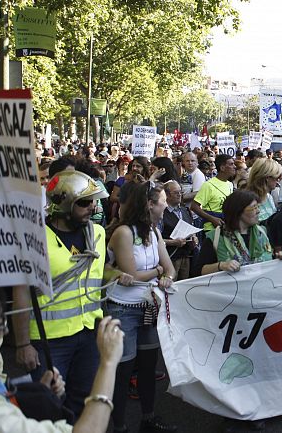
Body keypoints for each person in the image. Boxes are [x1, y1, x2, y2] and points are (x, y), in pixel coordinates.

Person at [11, 171, 111, 419]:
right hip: (49, 340)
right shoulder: (34, 238)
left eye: (95, 201)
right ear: (64, 204)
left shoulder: (98, 234)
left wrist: (120, 274)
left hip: (89, 335)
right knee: (48, 406)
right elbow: (22, 291)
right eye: (85, 202)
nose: (93, 207)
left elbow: (98, 273)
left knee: (85, 401)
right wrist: (23, 343)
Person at [0, 290, 125, 433]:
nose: (6, 331)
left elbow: (5, 399)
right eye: (1, 325)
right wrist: (108, 363)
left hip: (84, 329)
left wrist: (40, 394)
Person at [105, 181, 177, 433]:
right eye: (163, 201)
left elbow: (171, 268)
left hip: (148, 307)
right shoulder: (123, 232)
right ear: (148, 204)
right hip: (123, 309)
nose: (167, 204)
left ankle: (148, 418)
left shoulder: (154, 232)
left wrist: (165, 274)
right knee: (123, 371)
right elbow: (132, 273)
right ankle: (119, 425)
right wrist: (159, 272)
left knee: (148, 368)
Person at [193, 190, 282, 277]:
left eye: (258, 207)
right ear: (238, 212)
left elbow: (270, 259)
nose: (258, 211)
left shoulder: (262, 233)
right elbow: (198, 271)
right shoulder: (216, 237)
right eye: (254, 208)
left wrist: (279, 258)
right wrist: (221, 265)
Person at [161, 181, 198, 280]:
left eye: (180, 192)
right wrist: (172, 242)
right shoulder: (161, 213)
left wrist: (194, 237)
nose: (179, 195)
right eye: (176, 192)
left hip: (186, 256)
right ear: (167, 195)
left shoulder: (185, 210)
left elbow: (191, 229)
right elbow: (155, 239)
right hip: (170, 258)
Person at [191, 154, 236, 232]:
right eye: (231, 164)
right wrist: (212, 219)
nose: (234, 167)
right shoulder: (208, 185)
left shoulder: (230, 184)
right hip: (211, 230)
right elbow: (194, 207)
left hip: (225, 227)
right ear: (222, 168)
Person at [245, 158, 282, 226]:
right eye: (277, 178)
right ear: (267, 178)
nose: (278, 182)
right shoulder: (246, 200)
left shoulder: (268, 196)